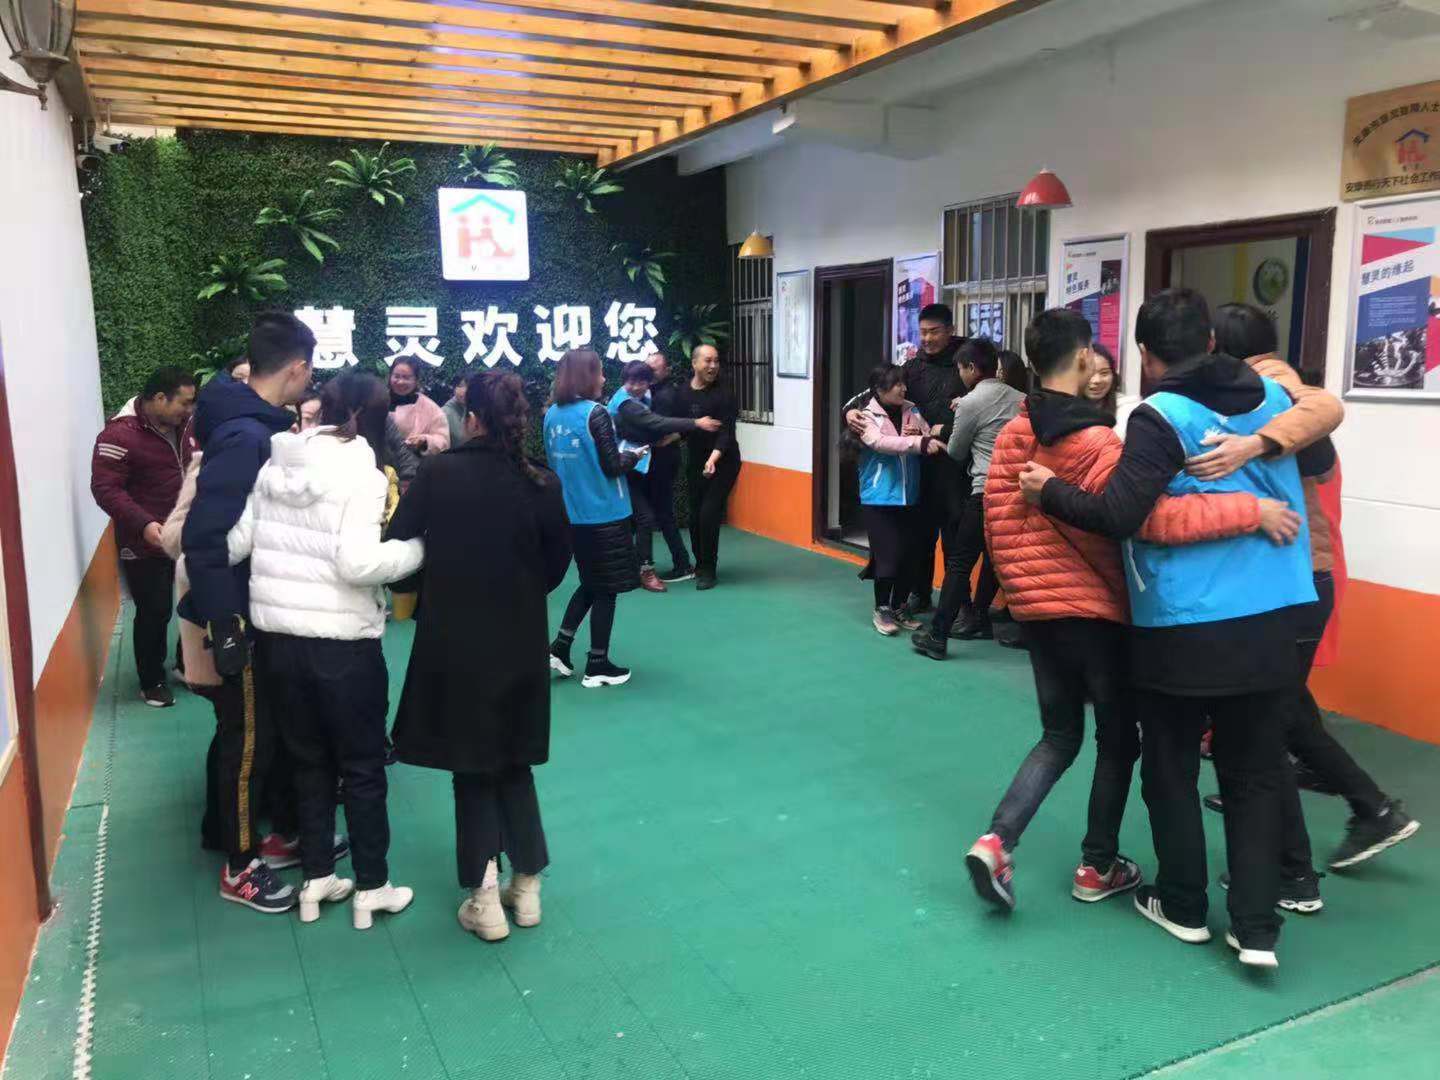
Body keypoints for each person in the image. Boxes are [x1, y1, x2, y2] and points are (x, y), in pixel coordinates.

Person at [1021, 288, 1320, 969]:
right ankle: (1256, 928)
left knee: (1171, 766)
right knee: (1254, 772)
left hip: (1186, 625)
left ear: (1145, 355)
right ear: (1211, 342)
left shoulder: (1160, 416)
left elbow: (1122, 514)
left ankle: (1184, 905)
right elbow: (1321, 447)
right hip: (1277, 612)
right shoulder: (1279, 402)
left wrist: (1051, 492)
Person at [964, 307, 1287, 911]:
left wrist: (1020, 592)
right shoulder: (1098, 443)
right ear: (1085, 357)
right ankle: (1098, 865)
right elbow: (1144, 520)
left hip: (1035, 611)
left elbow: (998, 522)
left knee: (1059, 735)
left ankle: (996, 841)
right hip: (1095, 616)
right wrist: (1250, 510)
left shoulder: (1013, 431)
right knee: (1118, 741)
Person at [1207, 303, 1417, 875]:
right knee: (1285, 710)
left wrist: (1254, 444)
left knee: (1270, 718)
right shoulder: (1266, 390)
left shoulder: (1274, 390)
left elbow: (1324, 413)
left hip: (1296, 575)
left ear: (1221, 347)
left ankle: (1308, 854)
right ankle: (1364, 808)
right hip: (1288, 573)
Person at [227, 371, 423, 929]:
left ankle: (316, 880)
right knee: (361, 768)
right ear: (374, 418)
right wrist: (416, 550)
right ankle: (372, 886)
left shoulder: (274, 465)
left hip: (278, 643)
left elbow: (236, 544)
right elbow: (358, 564)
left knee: (307, 762)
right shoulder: (363, 474)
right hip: (343, 648)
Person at [389, 371, 571, 942]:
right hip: (520, 635)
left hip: (456, 638)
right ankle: (528, 887)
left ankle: (484, 896)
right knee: (514, 758)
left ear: (471, 420)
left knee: (472, 764)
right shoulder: (542, 481)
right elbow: (556, 564)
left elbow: (400, 536)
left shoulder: (440, 473)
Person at [183, 312, 318, 914]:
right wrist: (225, 624)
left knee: (264, 736)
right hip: (238, 615)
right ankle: (239, 867)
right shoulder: (246, 437)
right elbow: (204, 537)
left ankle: (258, 837)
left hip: (257, 606)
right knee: (249, 744)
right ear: (297, 368)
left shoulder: (254, 426)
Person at [846, 303, 967, 614]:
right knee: (919, 539)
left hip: (955, 467)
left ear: (950, 330)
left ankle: (958, 605)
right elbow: (874, 392)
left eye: (934, 332)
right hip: (916, 468)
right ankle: (919, 595)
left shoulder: (966, 363)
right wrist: (851, 412)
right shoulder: (912, 367)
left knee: (955, 540)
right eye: (922, 332)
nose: (927, 339)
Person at [90, 366, 199, 707]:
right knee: (155, 610)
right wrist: (144, 524)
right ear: (160, 398)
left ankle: (187, 665)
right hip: (143, 541)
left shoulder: (188, 426)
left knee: (196, 602)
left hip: (188, 533)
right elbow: (105, 488)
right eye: (184, 402)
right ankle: (152, 681)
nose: (190, 409)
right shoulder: (118, 435)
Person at [912, 339, 1023, 655]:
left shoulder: (970, 403)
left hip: (984, 491)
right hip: (1017, 494)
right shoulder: (1023, 399)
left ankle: (937, 637)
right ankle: (989, 620)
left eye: (960, 369)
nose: (959, 374)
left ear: (971, 368)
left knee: (960, 563)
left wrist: (943, 430)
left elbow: (957, 451)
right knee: (1002, 562)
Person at [543, 349, 645, 686]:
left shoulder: (551, 414)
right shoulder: (595, 413)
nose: (603, 378)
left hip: (572, 515)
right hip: (605, 514)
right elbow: (612, 465)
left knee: (591, 583)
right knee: (607, 589)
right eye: (599, 372)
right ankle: (597, 664)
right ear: (586, 376)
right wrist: (633, 456)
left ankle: (559, 648)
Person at [608, 360, 720, 592]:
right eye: (631, 381)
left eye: (642, 380)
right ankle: (644, 568)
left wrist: (677, 433)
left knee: (650, 516)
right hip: (627, 467)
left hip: (648, 465)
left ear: (655, 377)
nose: (636, 386)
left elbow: (656, 425)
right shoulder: (627, 402)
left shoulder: (660, 395)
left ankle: (653, 566)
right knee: (646, 517)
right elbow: (653, 423)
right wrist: (695, 424)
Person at [853, 365, 945, 635]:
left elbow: (926, 434)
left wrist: (924, 435)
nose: (904, 388)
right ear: (880, 389)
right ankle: (882, 608)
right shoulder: (865, 416)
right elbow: (880, 443)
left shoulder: (911, 409)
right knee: (888, 557)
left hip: (910, 496)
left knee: (910, 556)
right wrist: (918, 443)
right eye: (897, 384)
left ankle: (900, 606)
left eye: (904, 383)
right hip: (879, 498)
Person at [673, 345, 741, 590]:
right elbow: (681, 428)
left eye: (716, 361)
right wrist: (663, 440)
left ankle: (708, 570)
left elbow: (726, 433)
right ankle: (700, 564)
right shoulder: (682, 394)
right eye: (708, 361)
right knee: (695, 515)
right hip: (696, 461)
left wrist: (713, 459)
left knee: (709, 513)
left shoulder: (724, 395)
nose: (713, 366)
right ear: (694, 364)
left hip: (724, 462)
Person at [644, 350, 696, 582]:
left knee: (662, 513)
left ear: (667, 370)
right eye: (647, 368)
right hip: (656, 459)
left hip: (662, 461)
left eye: (654, 369)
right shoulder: (651, 391)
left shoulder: (666, 395)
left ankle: (682, 564)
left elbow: (658, 429)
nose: (649, 373)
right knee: (653, 513)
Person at [388, 356, 450, 456]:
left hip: (416, 462)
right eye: (396, 376)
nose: (400, 382)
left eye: (406, 377)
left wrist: (425, 441)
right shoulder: (378, 400)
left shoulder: (431, 408)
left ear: (416, 380)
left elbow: (443, 441)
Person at [1083, 343, 1118, 416]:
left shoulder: (1127, 409)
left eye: (1104, 373)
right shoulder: (1063, 410)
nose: (1097, 380)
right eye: (1090, 373)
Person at [441, 375, 468, 450]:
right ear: (454, 388)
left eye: (468, 386)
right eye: (460, 386)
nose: (464, 390)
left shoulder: (478, 408)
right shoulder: (445, 413)